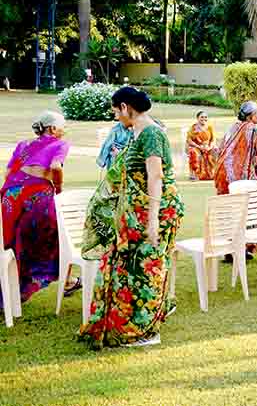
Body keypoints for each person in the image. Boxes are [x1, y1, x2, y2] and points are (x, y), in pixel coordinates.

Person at [79, 87, 184, 348]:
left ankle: (146, 332)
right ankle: (128, 324)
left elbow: (156, 176)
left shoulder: (151, 133)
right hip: (135, 213)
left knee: (146, 269)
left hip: (154, 211)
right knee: (130, 269)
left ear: (125, 107)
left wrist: (152, 220)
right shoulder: (136, 131)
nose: (116, 116)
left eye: (116, 111)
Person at [1, 112, 71, 305]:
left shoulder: (23, 144)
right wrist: (58, 189)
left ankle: (9, 288)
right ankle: (63, 281)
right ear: (53, 128)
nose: (65, 130)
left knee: (11, 242)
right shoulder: (60, 144)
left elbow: (8, 172)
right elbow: (56, 167)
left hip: (11, 195)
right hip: (37, 195)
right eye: (63, 126)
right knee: (54, 237)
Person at [214, 101, 257, 195]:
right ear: (252, 115)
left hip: (222, 172)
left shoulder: (232, 128)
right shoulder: (255, 129)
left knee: (226, 202)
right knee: (245, 202)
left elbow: (220, 149)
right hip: (241, 176)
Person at [185, 110, 217, 181]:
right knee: (193, 152)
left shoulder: (209, 127)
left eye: (205, 117)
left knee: (215, 150)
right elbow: (189, 140)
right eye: (202, 117)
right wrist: (199, 147)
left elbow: (213, 139)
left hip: (207, 147)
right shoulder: (193, 128)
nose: (204, 119)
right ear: (197, 118)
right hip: (197, 147)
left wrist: (210, 147)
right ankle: (194, 174)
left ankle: (213, 172)